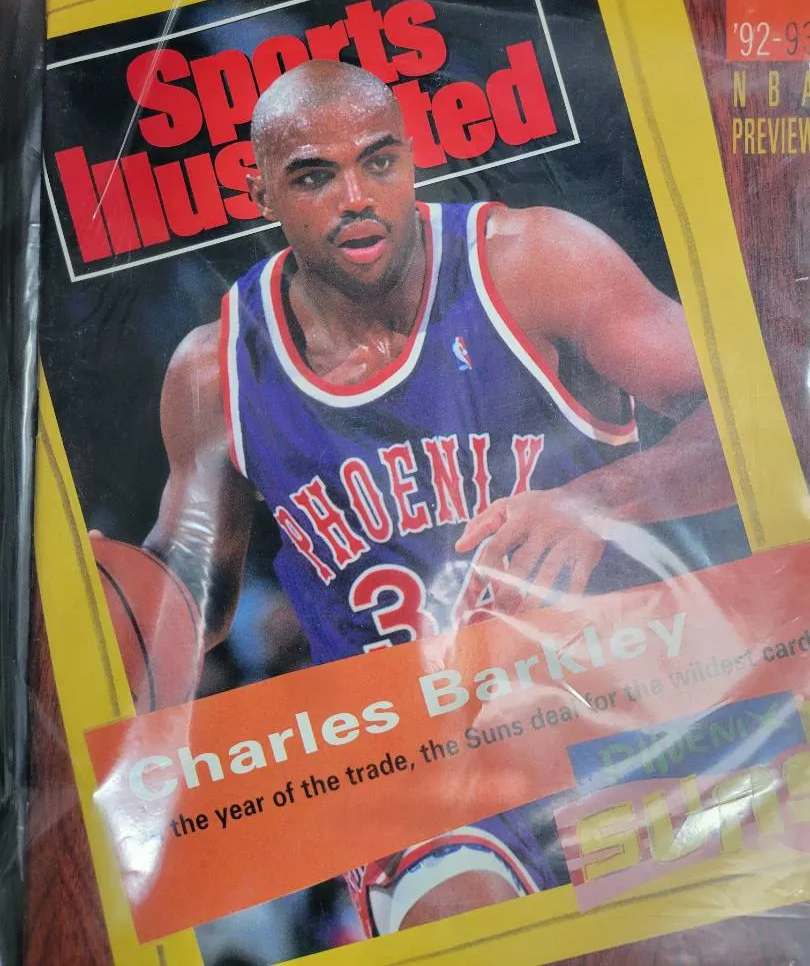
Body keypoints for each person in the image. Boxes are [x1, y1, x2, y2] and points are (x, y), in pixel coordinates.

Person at [101, 58, 737, 936]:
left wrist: (603, 498)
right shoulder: (216, 374)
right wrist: (100, 609)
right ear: (259, 193)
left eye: (378, 161)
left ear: (413, 158)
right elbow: (189, 602)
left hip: (627, 697)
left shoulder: (534, 263)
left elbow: (758, 411)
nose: (356, 198)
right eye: (314, 177)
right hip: (414, 758)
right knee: (463, 918)